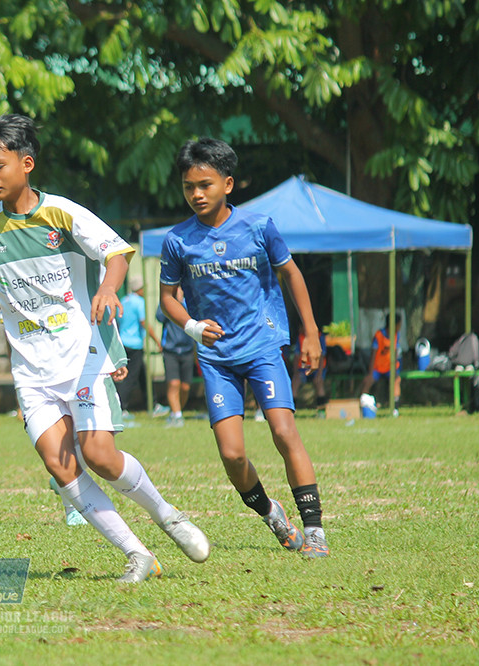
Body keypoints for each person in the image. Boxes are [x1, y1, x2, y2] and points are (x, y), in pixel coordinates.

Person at [0, 114, 210, 582]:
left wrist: (110, 290)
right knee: (60, 464)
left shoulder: (63, 214)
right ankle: (139, 555)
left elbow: (116, 252)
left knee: (100, 456)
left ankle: (167, 514)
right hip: (30, 369)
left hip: (82, 356)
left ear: (26, 163)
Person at [158, 137, 329, 558]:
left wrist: (310, 332)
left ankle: (315, 531)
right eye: (188, 187)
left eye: (205, 184)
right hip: (216, 359)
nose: (196, 194)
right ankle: (272, 513)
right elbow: (166, 298)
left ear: (228, 183)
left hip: (262, 346)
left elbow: (291, 274)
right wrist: (194, 327)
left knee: (284, 431)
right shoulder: (177, 241)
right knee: (233, 455)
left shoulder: (258, 227)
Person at [115, 275, 170, 418]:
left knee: (143, 376)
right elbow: (144, 323)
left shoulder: (124, 301)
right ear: (139, 289)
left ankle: (153, 404)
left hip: (123, 342)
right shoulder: (139, 302)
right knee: (130, 377)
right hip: (135, 344)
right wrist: (156, 340)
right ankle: (121, 408)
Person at [155, 285, 197, 427]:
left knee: (185, 387)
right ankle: (177, 414)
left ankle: (176, 411)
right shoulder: (166, 304)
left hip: (187, 350)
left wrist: (181, 302)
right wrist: (172, 302)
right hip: (170, 350)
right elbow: (159, 317)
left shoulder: (188, 303)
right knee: (173, 383)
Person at [360, 312, 403, 412]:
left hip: (389, 368)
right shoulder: (379, 335)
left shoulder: (397, 335)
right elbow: (373, 355)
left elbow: (395, 352)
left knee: (396, 380)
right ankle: (363, 405)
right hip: (377, 369)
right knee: (368, 381)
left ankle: (395, 408)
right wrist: (370, 373)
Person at [290, 322, 329, 414]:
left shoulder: (319, 337)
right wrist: (296, 372)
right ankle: (291, 411)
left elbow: (321, 357)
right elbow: (296, 357)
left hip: (317, 369)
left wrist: (319, 374)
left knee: (318, 382)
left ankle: (321, 411)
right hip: (303, 369)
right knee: (295, 382)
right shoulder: (300, 338)